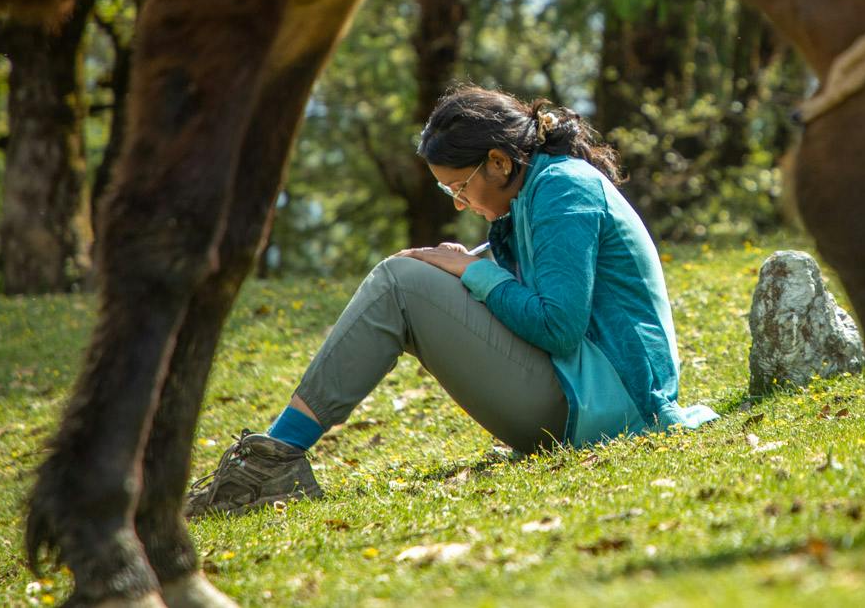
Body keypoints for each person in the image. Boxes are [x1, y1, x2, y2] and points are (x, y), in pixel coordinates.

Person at [184, 84, 718, 517]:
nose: (458, 201)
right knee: (410, 276)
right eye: (447, 192)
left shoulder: (564, 191)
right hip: (586, 397)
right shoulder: (537, 194)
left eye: (458, 187)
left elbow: (559, 326)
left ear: (499, 162)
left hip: (607, 406)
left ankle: (272, 463)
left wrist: (473, 272)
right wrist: (471, 270)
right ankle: (273, 458)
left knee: (399, 281)